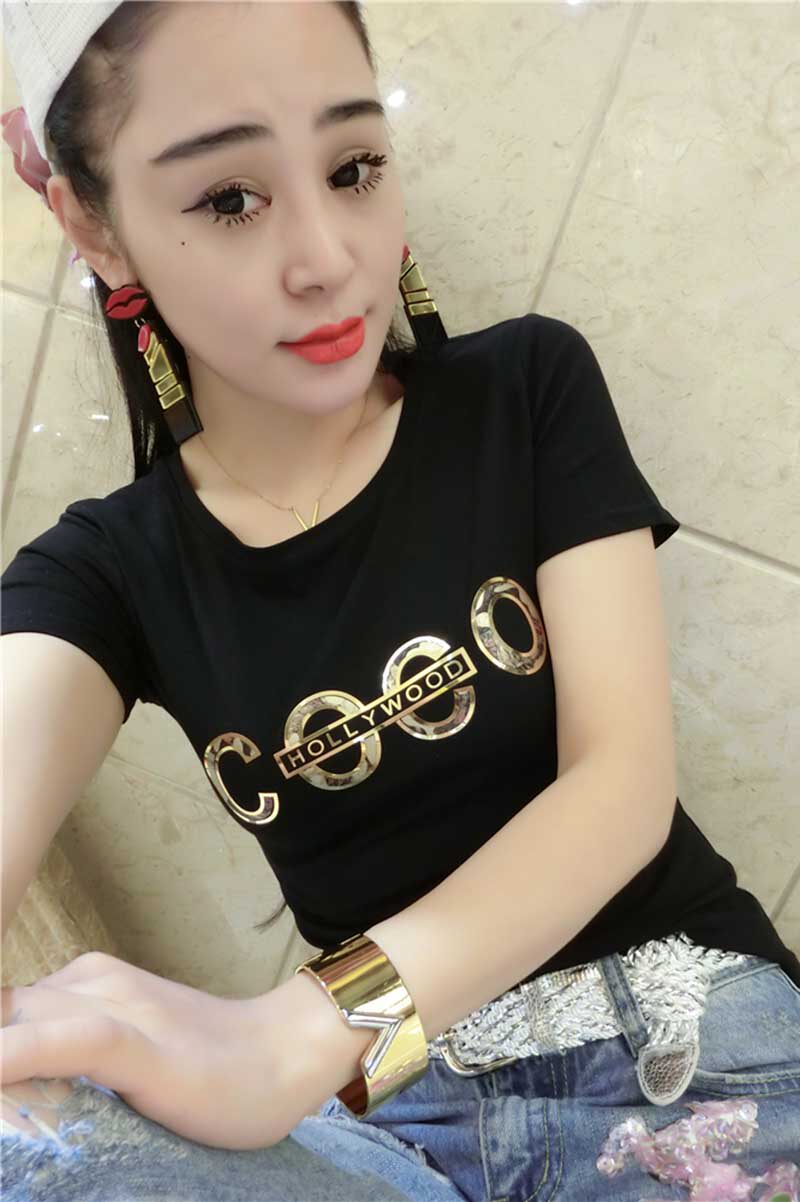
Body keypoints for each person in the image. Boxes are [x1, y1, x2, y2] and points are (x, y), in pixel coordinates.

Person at [1, 3, 799, 1201]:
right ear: (93, 226)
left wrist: (294, 1031)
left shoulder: (522, 390)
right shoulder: (106, 572)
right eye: (231, 197)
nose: (326, 255)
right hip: (406, 1127)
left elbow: (620, 788)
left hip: (685, 1047)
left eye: (352, 168)